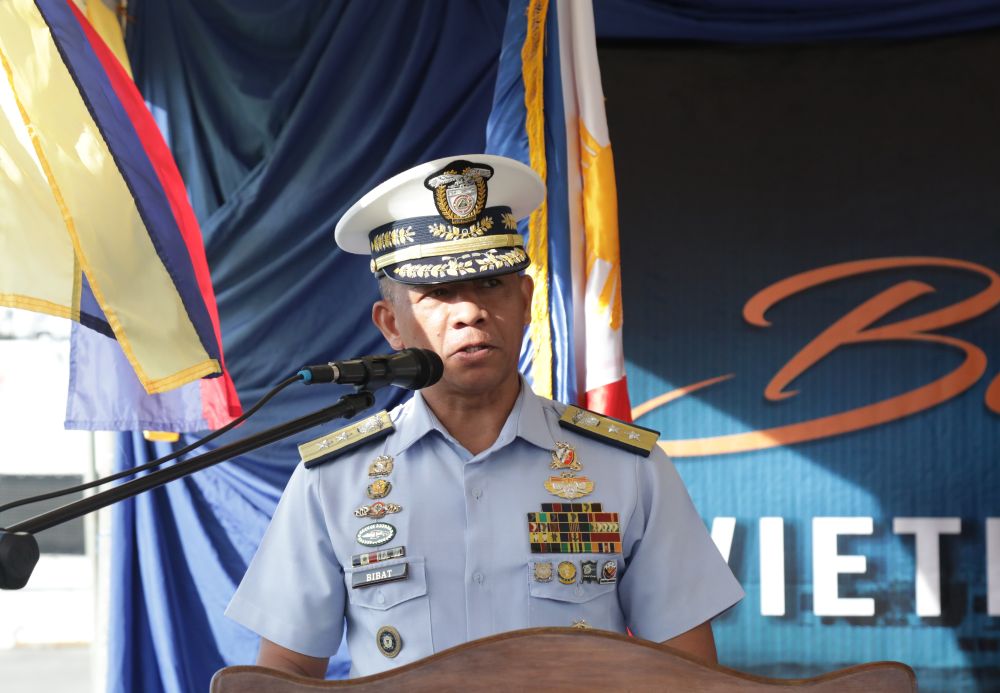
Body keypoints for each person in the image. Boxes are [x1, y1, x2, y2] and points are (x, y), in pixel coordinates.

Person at [225, 154, 743, 678]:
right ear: (391, 325)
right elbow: (286, 671)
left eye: (491, 284)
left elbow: (689, 672)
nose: (470, 312)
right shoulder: (333, 478)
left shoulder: (627, 468)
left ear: (526, 300)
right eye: (439, 293)